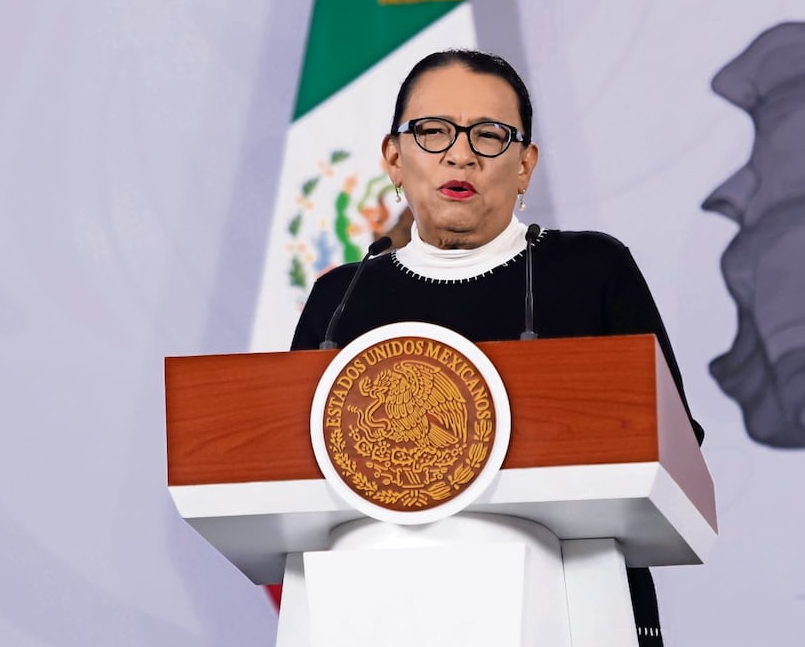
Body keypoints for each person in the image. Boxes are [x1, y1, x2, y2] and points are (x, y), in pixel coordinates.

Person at [290, 48, 703, 647]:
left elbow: (678, 445)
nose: (460, 153)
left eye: (489, 135)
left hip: (568, 610)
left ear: (526, 164)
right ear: (393, 157)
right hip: (374, 612)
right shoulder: (342, 299)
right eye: (433, 132)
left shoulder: (590, 271)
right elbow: (285, 466)